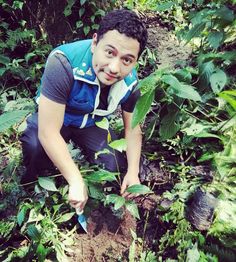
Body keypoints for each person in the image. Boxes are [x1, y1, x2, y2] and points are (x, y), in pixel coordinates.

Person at [20, 9, 148, 213]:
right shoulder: (63, 63)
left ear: (135, 62)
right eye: (109, 52)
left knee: (114, 163)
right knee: (35, 145)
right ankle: (36, 179)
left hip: (90, 123)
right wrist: (75, 180)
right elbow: (48, 132)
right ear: (95, 42)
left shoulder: (131, 83)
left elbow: (133, 129)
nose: (114, 68)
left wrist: (133, 172)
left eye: (126, 60)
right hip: (57, 119)